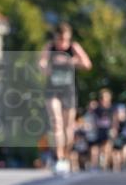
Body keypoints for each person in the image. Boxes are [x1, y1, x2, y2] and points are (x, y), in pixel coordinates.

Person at [39, 22, 92, 174]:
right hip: (52, 90)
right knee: (56, 123)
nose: (62, 44)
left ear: (68, 38)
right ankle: (59, 157)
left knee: (68, 127)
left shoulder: (73, 47)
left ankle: (66, 155)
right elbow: (41, 62)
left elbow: (88, 64)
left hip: (68, 91)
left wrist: (74, 61)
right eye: (59, 40)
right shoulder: (50, 47)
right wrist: (44, 67)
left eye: (64, 40)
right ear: (55, 37)